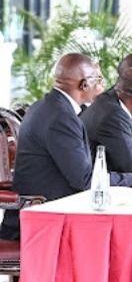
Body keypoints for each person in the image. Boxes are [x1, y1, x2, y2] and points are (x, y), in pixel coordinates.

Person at [0, 54, 123, 239]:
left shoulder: (52, 107)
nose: (101, 86)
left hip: (51, 212)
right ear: (84, 85)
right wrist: (131, 180)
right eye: (97, 79)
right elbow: (85, 180)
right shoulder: (60, 117)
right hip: (41, 223)